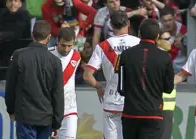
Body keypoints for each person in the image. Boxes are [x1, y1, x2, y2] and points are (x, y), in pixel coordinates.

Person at [83, 10, 139, 139]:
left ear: (111, 26)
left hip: (112, 101)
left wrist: (99, 87)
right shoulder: (138, 43)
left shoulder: (103, 46)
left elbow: (87, 75)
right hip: (134, 101)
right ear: (128, 23)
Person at [5, 20, 64, 139]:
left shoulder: (18, 55)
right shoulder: (55, 61)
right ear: (49, 37)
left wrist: (10, 109)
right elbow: (57, 94)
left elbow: (10, 86)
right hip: (46, 118)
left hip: (25, 115)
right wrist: (57, 123)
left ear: (32, 35)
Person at [118, 19, 174, 139]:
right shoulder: (165, 57)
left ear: (139, 34)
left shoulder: (126, 54)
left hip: (130, 113)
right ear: (157, 36)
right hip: (153, 113)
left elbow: (121, 88)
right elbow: (169, 88)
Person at [48, 27, 82, 139]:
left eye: (69, 45)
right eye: (63, 45)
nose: (66, 49)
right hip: (50, 111)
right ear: (57, 40)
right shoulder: (47, 54)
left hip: (69, 109)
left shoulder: (76, 56)